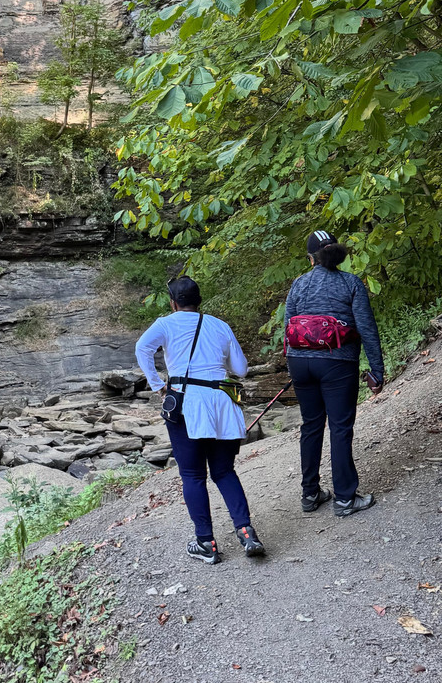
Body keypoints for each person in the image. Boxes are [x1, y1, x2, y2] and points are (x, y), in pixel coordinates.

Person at [135, 276, 262, 564]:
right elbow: (241, 370)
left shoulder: (166, 324)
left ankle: (206, 542)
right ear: (199, 300)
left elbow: (142, 348)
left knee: (193, 475)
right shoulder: (219, 325)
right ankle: (246, 532)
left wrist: (158, 385)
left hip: (186, 404)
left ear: (173, 302)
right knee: (224, 472)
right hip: (221, 403)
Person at [284, 230, 384, 517]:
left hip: (300, 362)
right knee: (340, 428)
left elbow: (288, 327)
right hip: (338, 362)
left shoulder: (298, 284)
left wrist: (295, 362)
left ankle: (310, 493)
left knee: (311, 426)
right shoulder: (350, 283)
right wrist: (377, 370)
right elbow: (366, 328)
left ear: (310, 258)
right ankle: (344, 498)